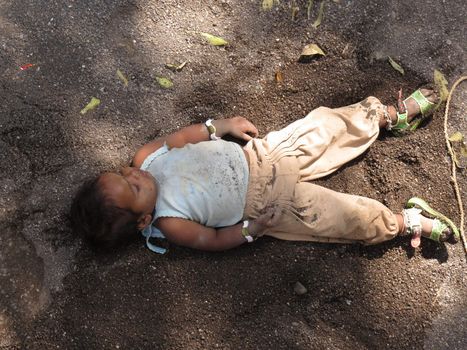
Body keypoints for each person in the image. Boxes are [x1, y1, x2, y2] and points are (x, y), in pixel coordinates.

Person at [70, 88, 459, 253]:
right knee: (343, 218)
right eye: (132, 189)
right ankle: (404, 222)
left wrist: (217, 126)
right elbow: (214, 240)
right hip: (271, 204)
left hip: (268, 154)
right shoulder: (171, 222)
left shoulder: (146, 157)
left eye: (122, 173)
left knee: (328, 124)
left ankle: (386, 117)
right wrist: (252, 230)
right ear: (144, 221)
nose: (134, 176)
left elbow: (181, 137)